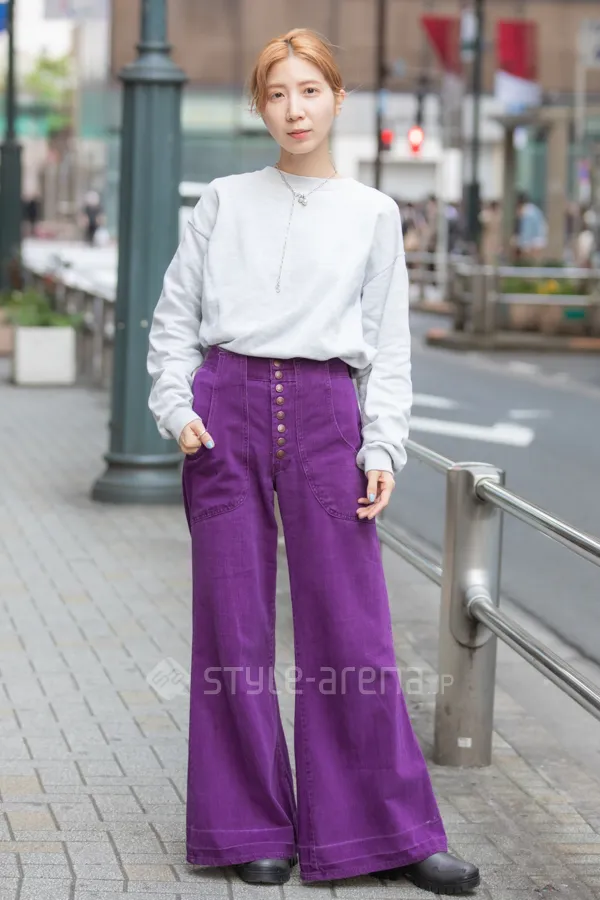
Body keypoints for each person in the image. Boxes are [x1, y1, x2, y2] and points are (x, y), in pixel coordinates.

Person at [146, 28, 480, 894]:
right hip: (225, 410)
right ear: (259, 107)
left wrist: (383, 442)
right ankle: (247, 825)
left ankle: (389, 831)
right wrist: (178, 408)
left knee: (354, 627)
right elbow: (174, 320)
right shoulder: (223, 201)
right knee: (233, 627)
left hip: (328, 411)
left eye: (309, 90)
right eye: (277, 94)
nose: (294, 109)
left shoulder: (373, 212)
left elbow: (389, 348)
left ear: (337, 97)